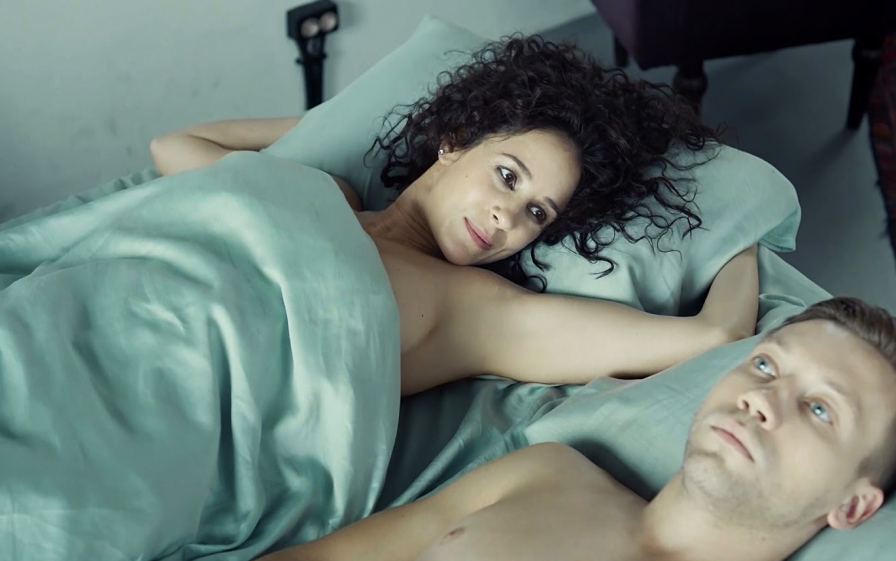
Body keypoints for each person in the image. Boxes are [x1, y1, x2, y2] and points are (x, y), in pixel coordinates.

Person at [151, 36, 759, 396]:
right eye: (507, 176)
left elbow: (715, 336)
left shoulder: (475, 309)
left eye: (536, 212)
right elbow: (175, 147)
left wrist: (746, 232)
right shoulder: (329, 194)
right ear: (454, 140)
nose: (507, 217)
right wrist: (339, 121)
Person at [204, 296, 896, 561]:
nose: (760, 398)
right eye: (766, 366)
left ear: (852, 505)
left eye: (818, 408)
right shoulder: (547, 472)